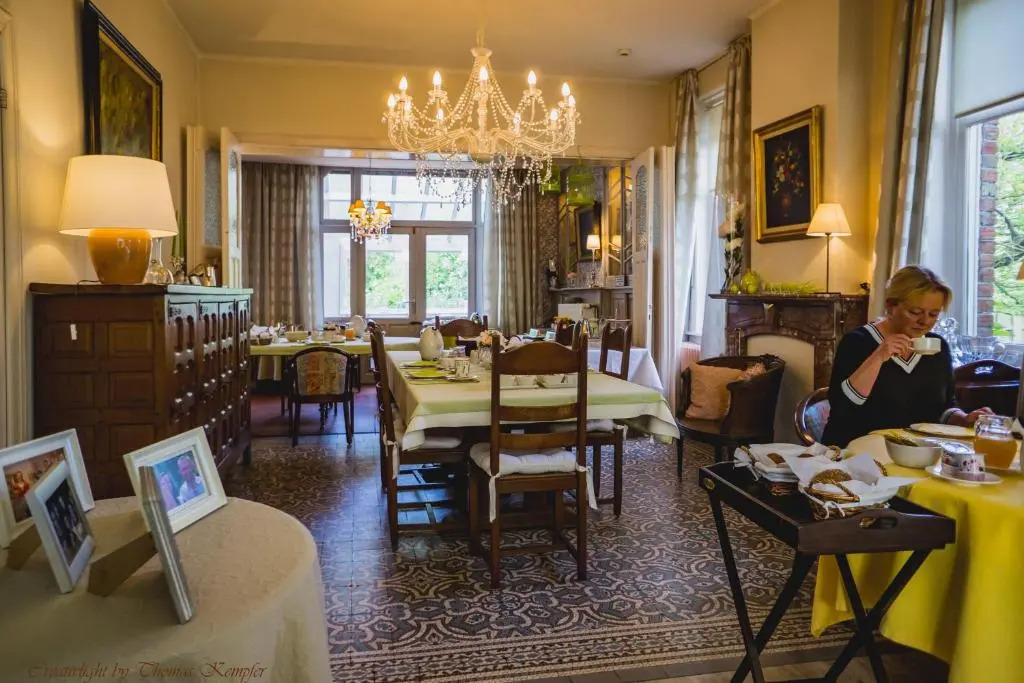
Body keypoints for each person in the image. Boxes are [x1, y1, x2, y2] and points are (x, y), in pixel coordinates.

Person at [821, 265, 993, 447]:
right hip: (856, 451)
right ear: (891, 305)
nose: (924, 321)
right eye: (915, 312)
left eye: (933, 314)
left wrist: (964, 419)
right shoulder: (857, 342)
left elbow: (944, 408)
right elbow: (842, 407)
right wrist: (879, 356)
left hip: (916, 452)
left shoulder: (938, 347)